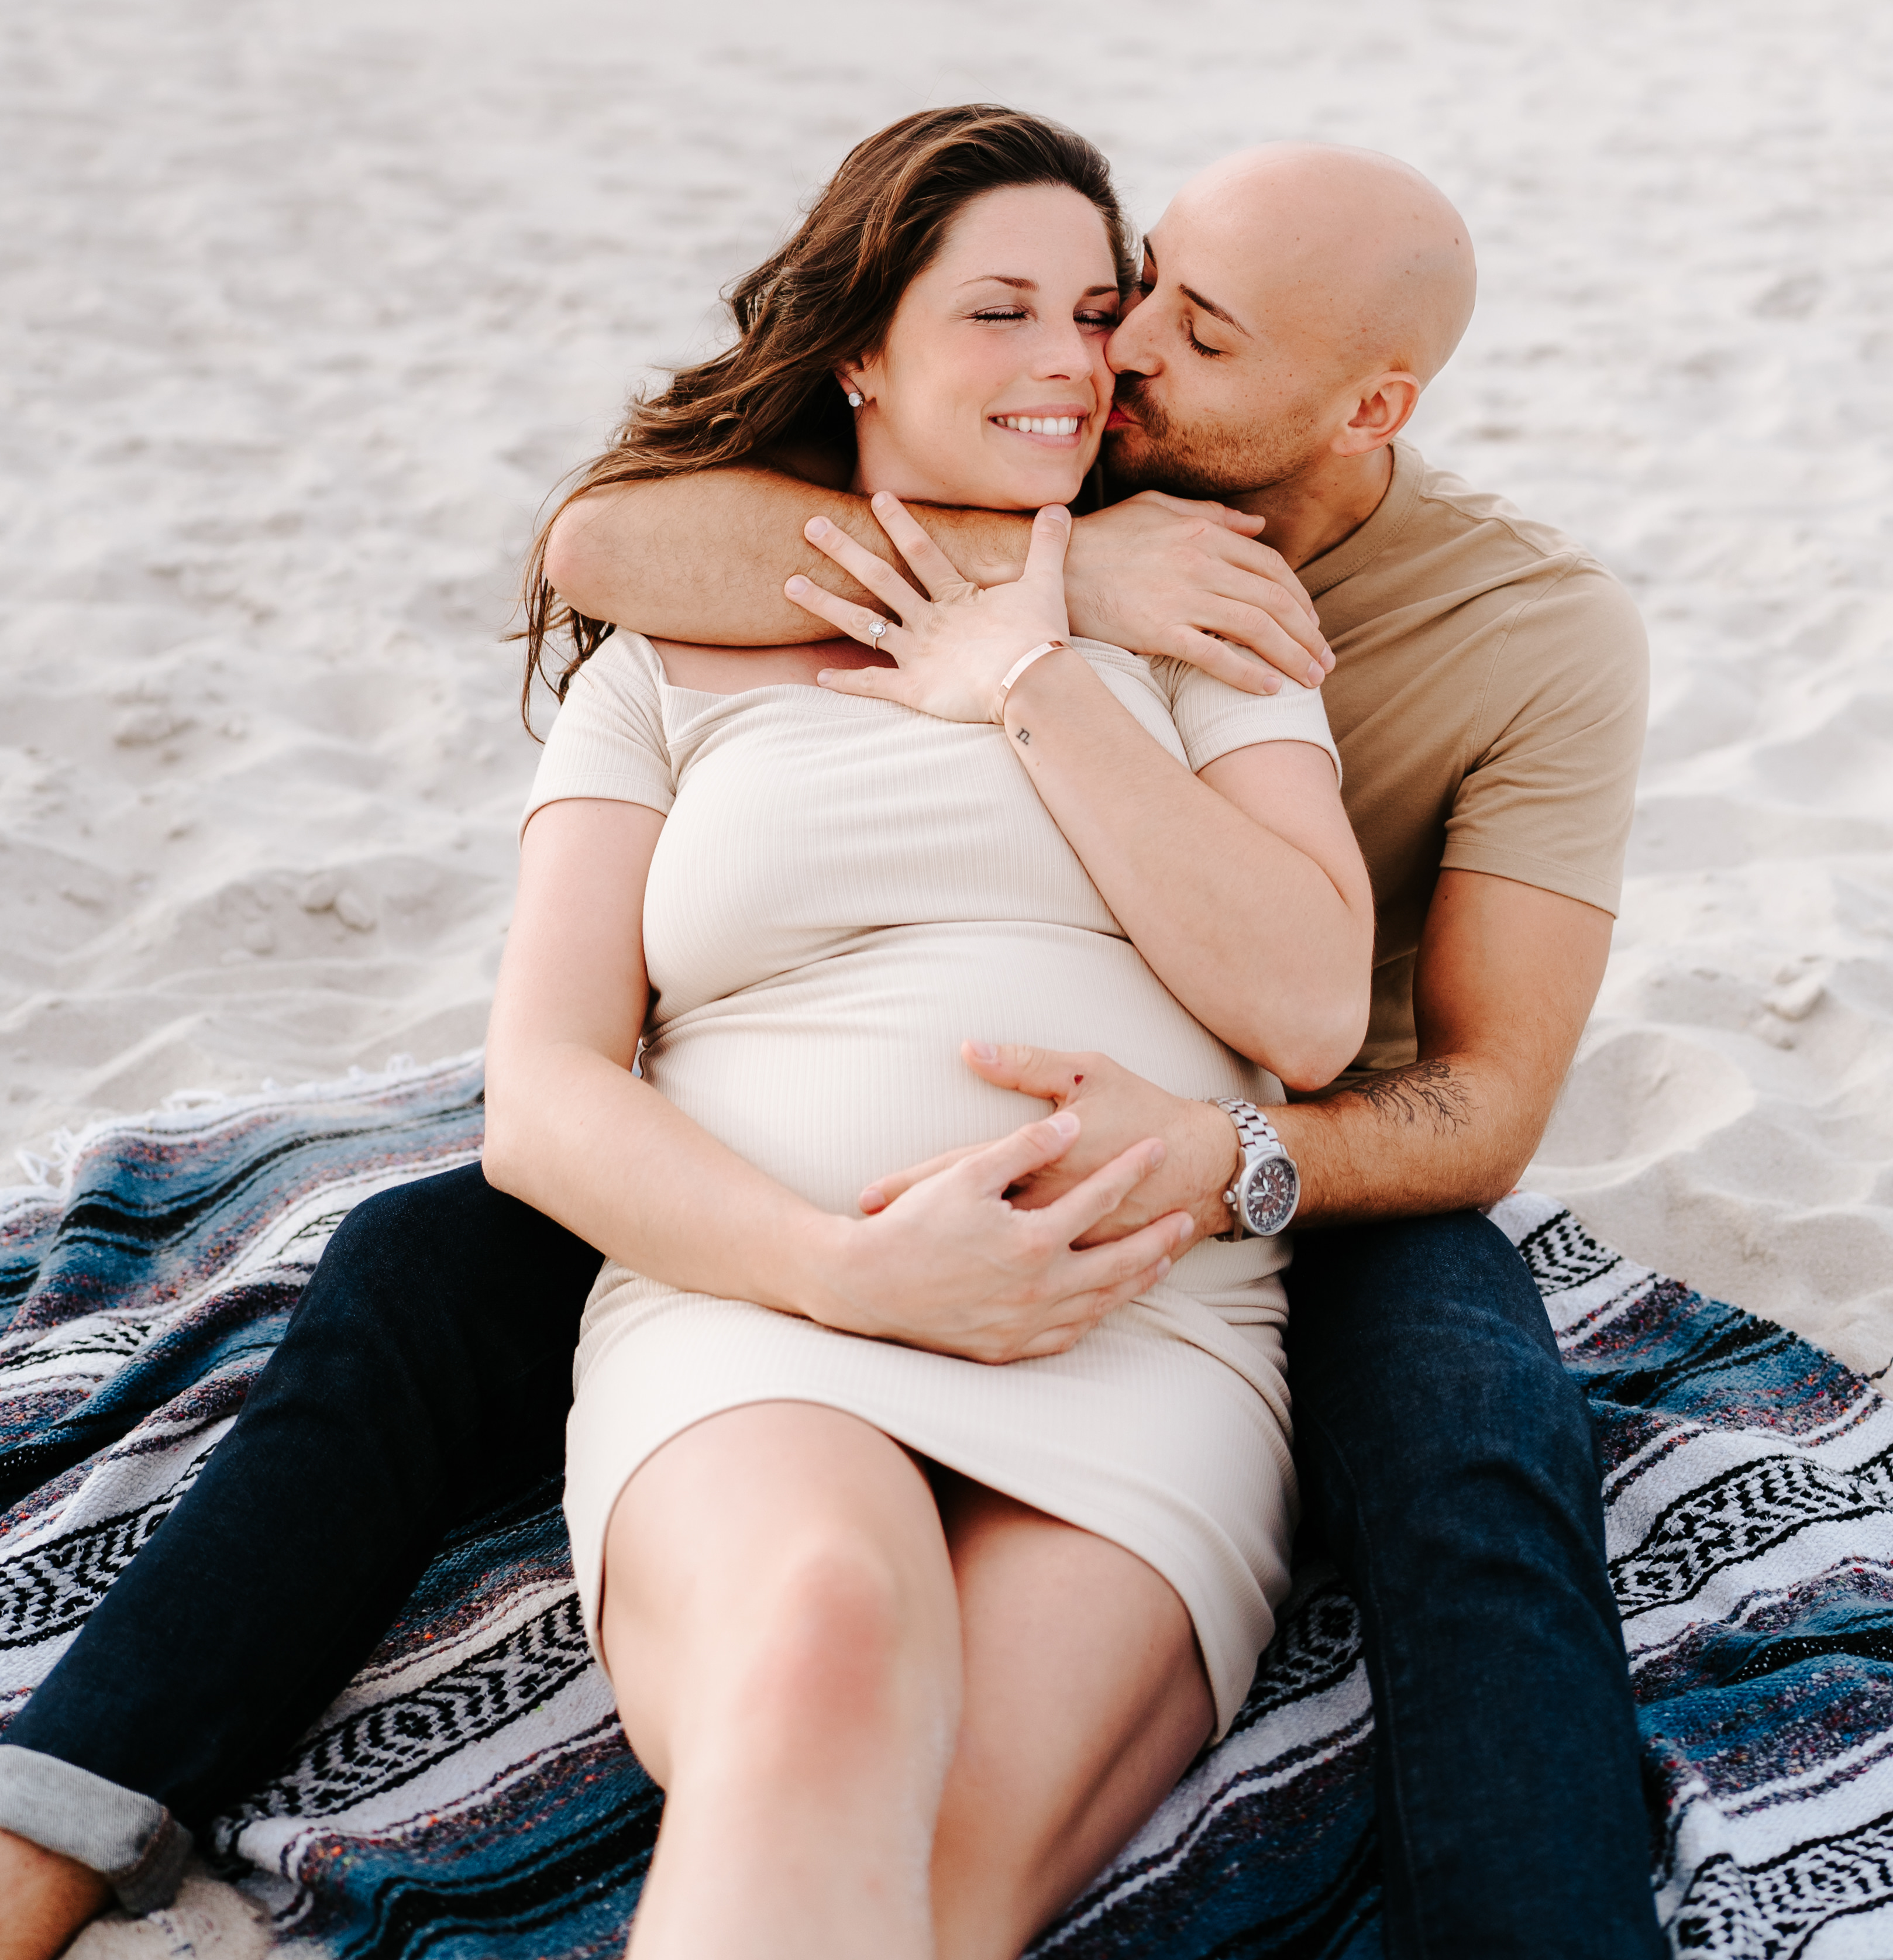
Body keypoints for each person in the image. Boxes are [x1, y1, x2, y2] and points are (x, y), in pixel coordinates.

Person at [0, 120, 1662, 1960]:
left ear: (1369, 408)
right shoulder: (969, 533)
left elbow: (1465, 1090)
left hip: (1280, 1186)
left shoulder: (1467, 633)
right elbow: (596, 541)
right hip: (780, 1260)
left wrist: (1227, 1147)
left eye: (1173, 330)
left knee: (1478, 1454)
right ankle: (55, 1819)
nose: (1108, 360)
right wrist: (1051, 582)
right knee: (425, 1283)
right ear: (871, 349)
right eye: (1103, 304)